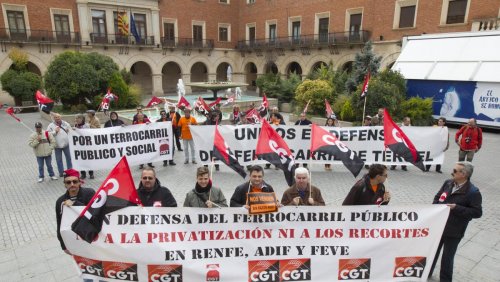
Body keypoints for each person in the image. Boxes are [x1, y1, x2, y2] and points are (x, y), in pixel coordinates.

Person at [428, 161, 482, 282]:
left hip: (454, 230)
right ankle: (427, 272)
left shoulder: (473, 192)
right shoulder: (448, 183)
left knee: (447, 257)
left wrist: (456, 208)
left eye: (455, 171)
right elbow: (437, 197)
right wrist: (436, 207)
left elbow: (477, 212)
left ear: (464, 174)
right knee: (432, 252)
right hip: (439, 225)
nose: (452, 172)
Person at [55, 169, 95, 255]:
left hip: (91, 238)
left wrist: (75, 204)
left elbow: (94, 214)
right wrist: (63, 245)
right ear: (65, 185)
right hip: (74, 242)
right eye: (68, 182)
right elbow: (59, 224)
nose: (72, 184)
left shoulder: (90, 193)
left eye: (75, 181)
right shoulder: (60, 201)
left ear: (79, 182)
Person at [74, 114, 94, 179]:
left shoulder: (87, 125)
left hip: (87, 146)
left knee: (89, 160)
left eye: (79, 118)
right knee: (81, 160)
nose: (77, 120)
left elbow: (88, 134)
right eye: (76, 118)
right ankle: (83, 174)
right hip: (79, 147)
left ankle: (91, 174)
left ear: (82, 119)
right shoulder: (75, 126)